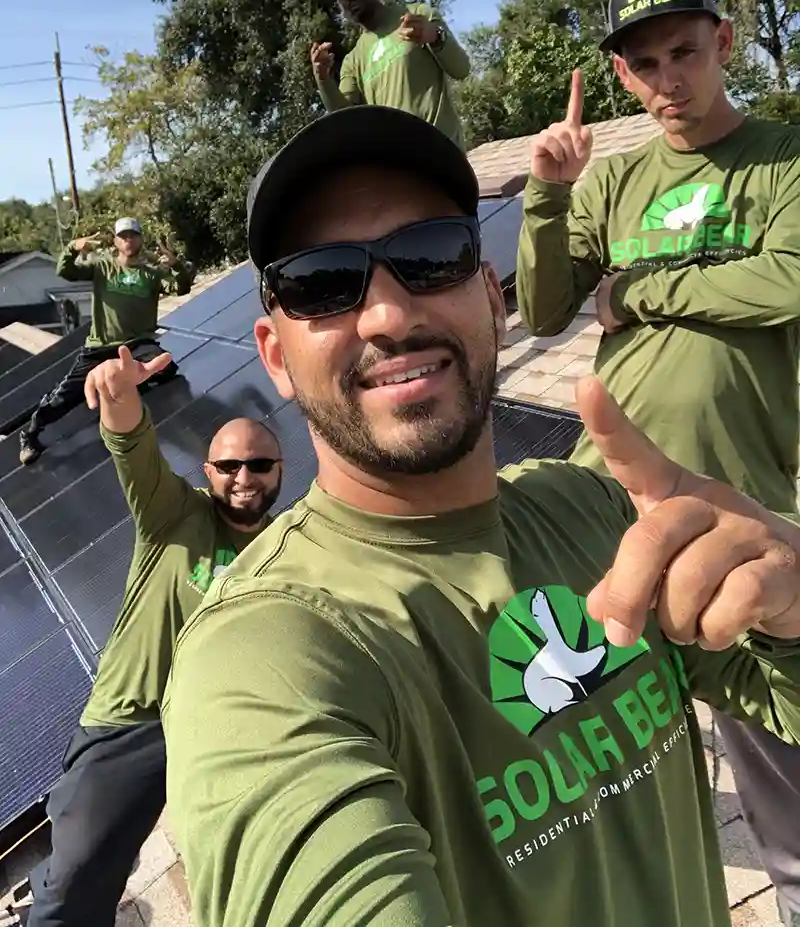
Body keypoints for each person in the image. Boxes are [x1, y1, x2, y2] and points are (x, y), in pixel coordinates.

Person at [161, 105, 800, 927]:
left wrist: (792, 605)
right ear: (276, 355)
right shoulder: (267, 656)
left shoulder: (594, 507)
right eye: (321, 281)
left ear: (494, 304)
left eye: (430, 257)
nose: (390, 315)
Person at [515, 0, 800, 924]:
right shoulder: (618, 182)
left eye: (684, 51)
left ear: (722, 42)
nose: (669, 78)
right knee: (588, 765)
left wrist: (644, 289)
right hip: (607, 509)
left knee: (783, 781)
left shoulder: (784, 161)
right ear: (625, 76)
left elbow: (788, 281)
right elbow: (549, 307)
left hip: (738, 509)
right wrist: (549, 195)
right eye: (645, 64)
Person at [23, 345, 282, 927]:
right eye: (228, 466)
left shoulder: (284, 548)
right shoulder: (175, 514)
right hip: (134, 721)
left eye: (259, 465)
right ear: (207, 471)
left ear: (280, 471)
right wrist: (118, 397)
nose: (244, 478)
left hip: (221, 722)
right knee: (80, 874)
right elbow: (132, 445)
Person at [19, 217, 195, 467]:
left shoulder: (152, 275)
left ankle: (129, 391)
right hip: (99, 349)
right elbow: (65, 271)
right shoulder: (102, 267)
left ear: (141, 239)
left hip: (136, 345)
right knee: (63, 398)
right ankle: (30, 435)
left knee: (164, 367)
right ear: (115, 241)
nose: (128, 240)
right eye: (123, 236)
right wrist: (73, 248)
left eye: (133, 235)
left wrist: (176, 265)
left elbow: (181, 288)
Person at [310, 0, 470, 148]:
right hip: (399, 168)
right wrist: (323, 80)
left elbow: (461, 69)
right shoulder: (353, 61)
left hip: (443, 155)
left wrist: (435, 36)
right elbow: (346, 120)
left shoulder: (417, 15)